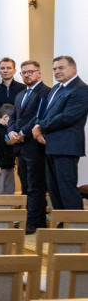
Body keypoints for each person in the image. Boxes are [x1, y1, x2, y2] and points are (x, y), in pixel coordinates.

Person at [28, 55, 88, 214]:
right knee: (53, 188)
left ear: (73, 68)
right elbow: (45, 112)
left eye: (61, 68)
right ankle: (61, 224)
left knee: (66, 188)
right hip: (50, 145)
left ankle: (75, 228)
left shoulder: (81, 89)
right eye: (54, 69)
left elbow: (68, 117)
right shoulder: (56, 88)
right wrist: (37, 126)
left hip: (66, 146)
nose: (57, 71)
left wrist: (40, 127)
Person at [7, 60, 51, 233]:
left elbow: (39, 118)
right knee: (25, 184)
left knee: (35, 185)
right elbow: (13, 117)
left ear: (39, 73)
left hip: (35, 145)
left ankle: (32, 222)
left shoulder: (46, 92)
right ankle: (35, 219)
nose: (27, 75)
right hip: (21, 146)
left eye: (30, 72)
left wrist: (22, 133)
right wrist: (11, 132)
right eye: (24, 72)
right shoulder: (20, 94)